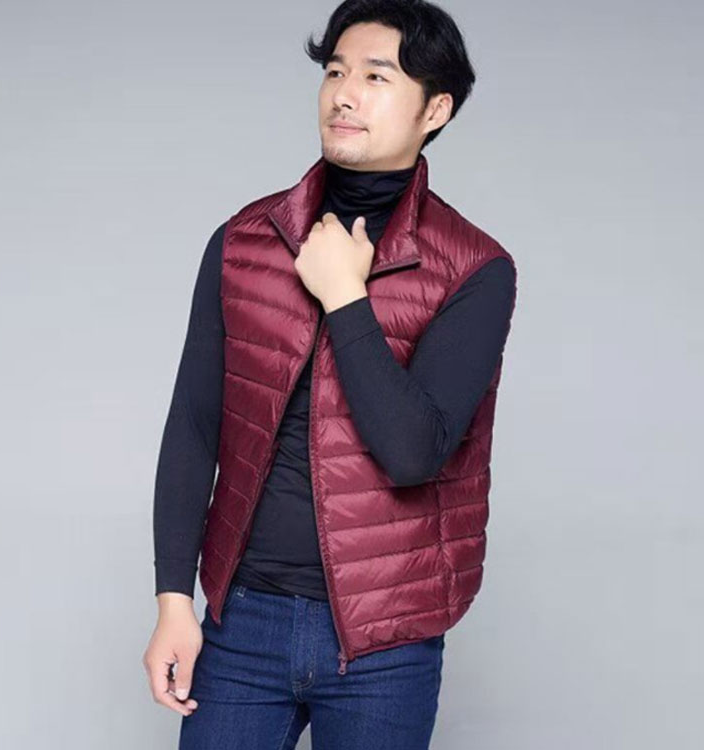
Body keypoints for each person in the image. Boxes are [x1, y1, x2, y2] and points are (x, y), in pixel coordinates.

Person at [143, 1, 518, 747]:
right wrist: (174, 601)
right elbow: (194, 424)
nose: (344, 94)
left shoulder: (474, 270)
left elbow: (413, 452)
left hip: (386, 641)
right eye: (336, 72)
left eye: (376, 77)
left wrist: (346, 298)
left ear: (435, 109)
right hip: (241, 622)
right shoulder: (245, 242)